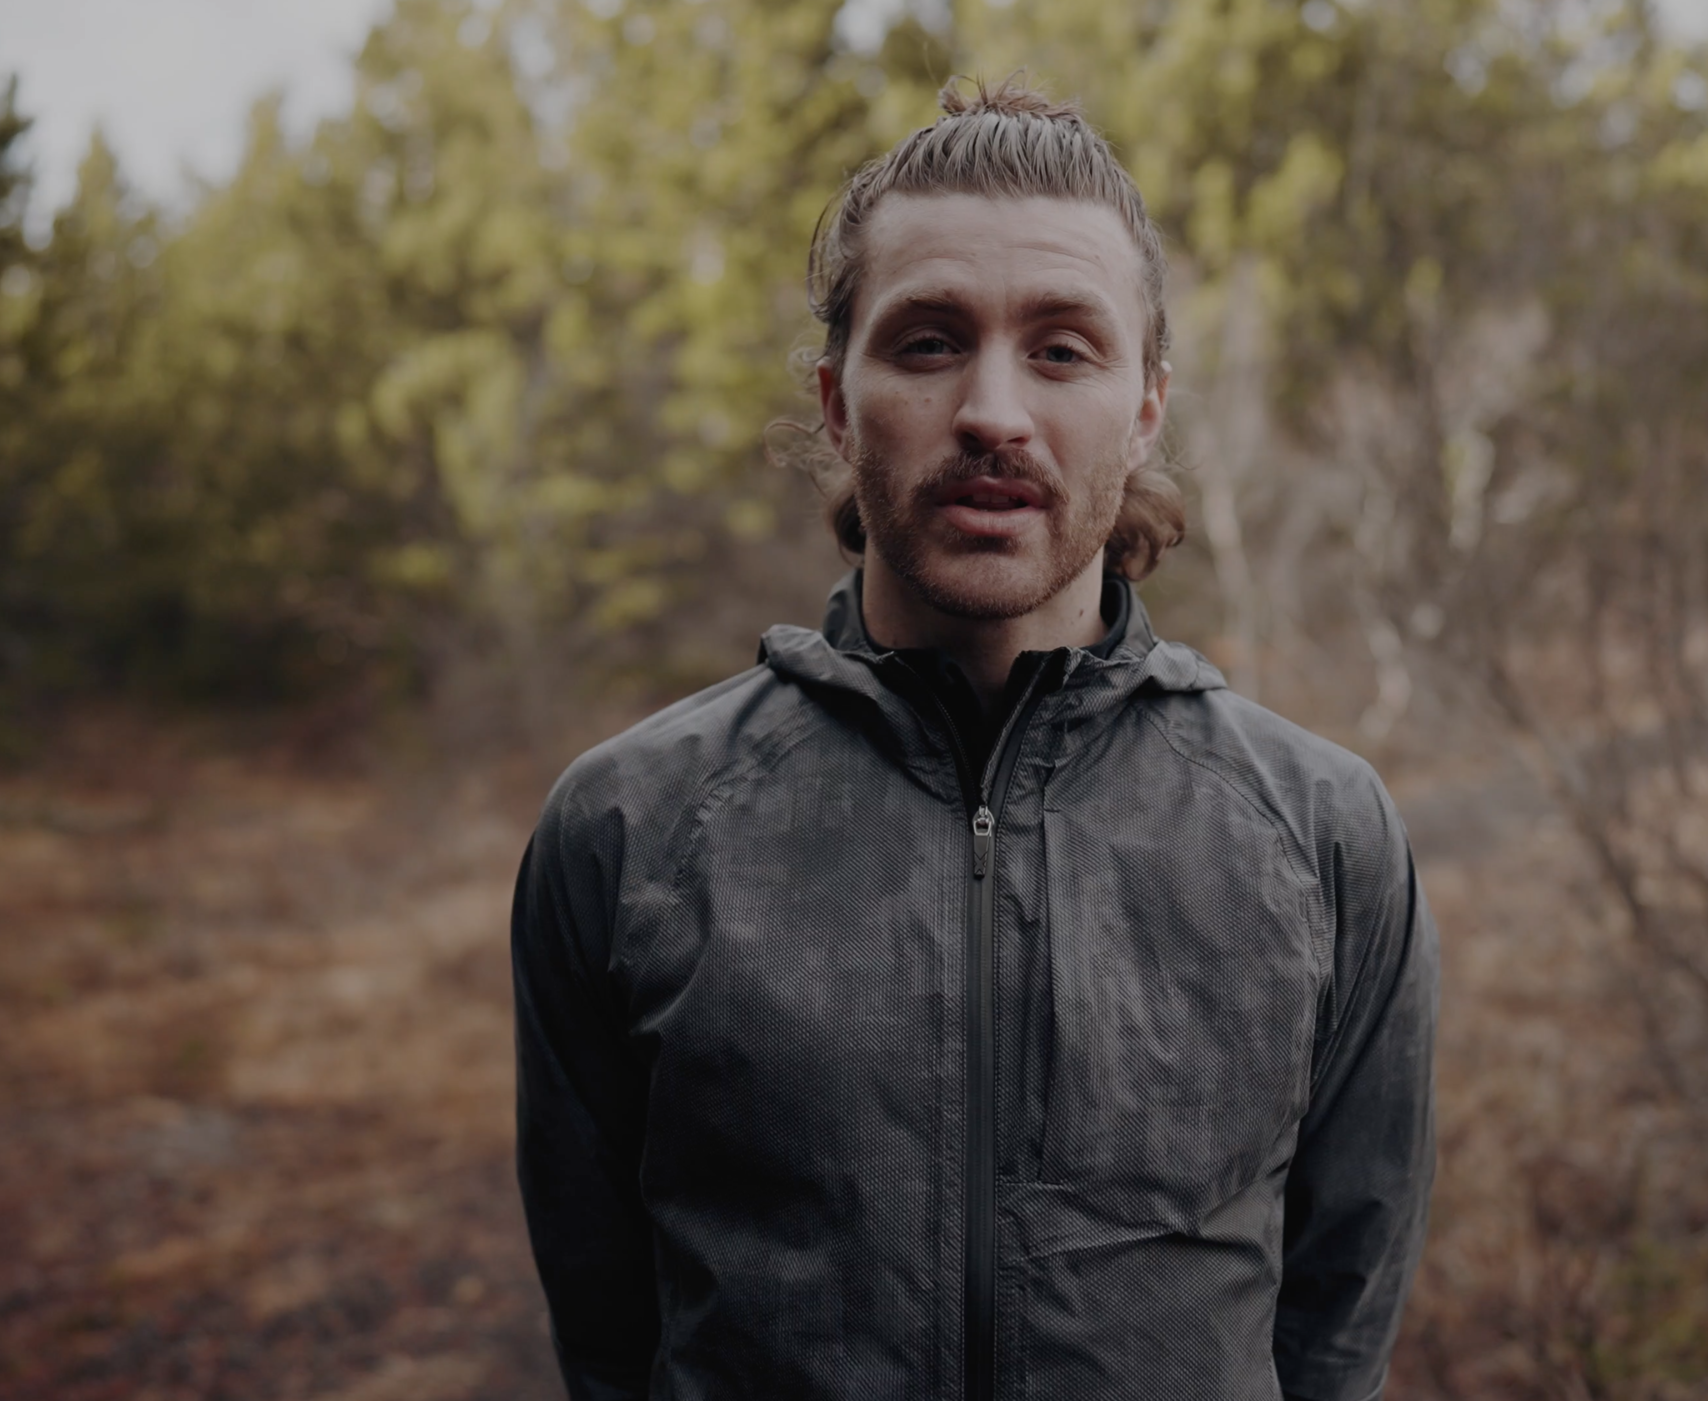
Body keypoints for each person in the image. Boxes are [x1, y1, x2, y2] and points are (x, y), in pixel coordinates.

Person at [513, 76, 1438, 1401]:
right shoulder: (627, 833)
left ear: (1146, 408)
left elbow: (1337, 1331)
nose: (995, 411)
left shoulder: (1326, 838)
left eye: (1062, 350)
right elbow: (611, 1335)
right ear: (838, 403)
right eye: (930, 342)